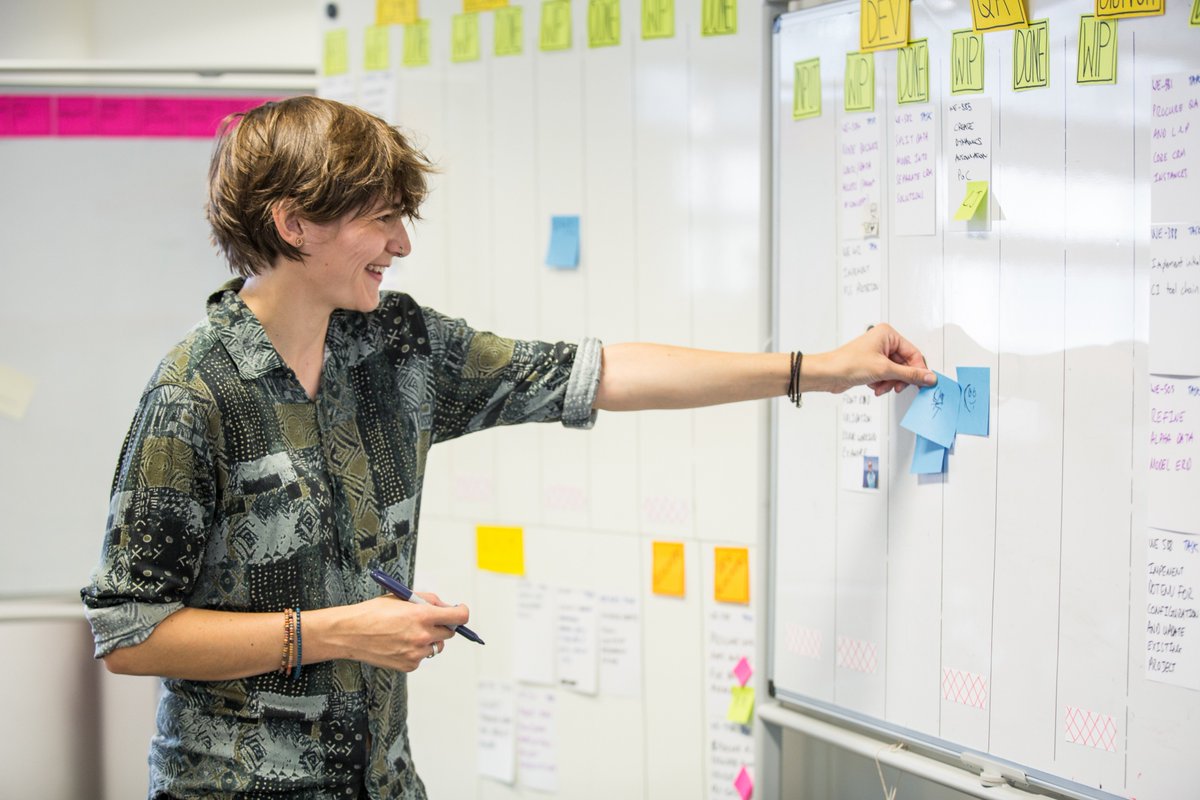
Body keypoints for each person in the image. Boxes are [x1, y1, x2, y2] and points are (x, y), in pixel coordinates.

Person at [81, 95, 934, 800]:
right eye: (382, 220)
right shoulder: (195, 393)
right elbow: (131, 633)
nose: (402, 245)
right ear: (295, 223)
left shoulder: (398, 350)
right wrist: (339, 632)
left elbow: (599, 372)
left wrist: (819, 370)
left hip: (381, 784)